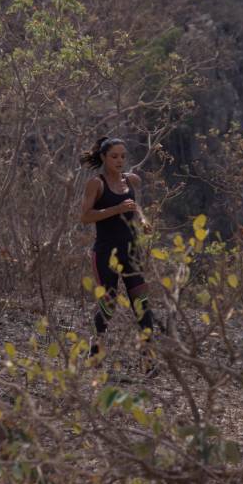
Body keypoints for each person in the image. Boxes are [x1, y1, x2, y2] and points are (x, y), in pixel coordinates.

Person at [80, 137, 154, 368]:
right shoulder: (96, 184)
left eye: (123, 156)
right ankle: (95, 350)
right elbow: (85, 216)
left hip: (131, 251)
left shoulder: (132, 180)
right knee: (108, 301)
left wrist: (142, 219)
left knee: (141, 302)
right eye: (114, 156)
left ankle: (148, 358)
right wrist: (116, 210)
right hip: (105, 252)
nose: (119, 160)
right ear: (103, 157)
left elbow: (134, 204)